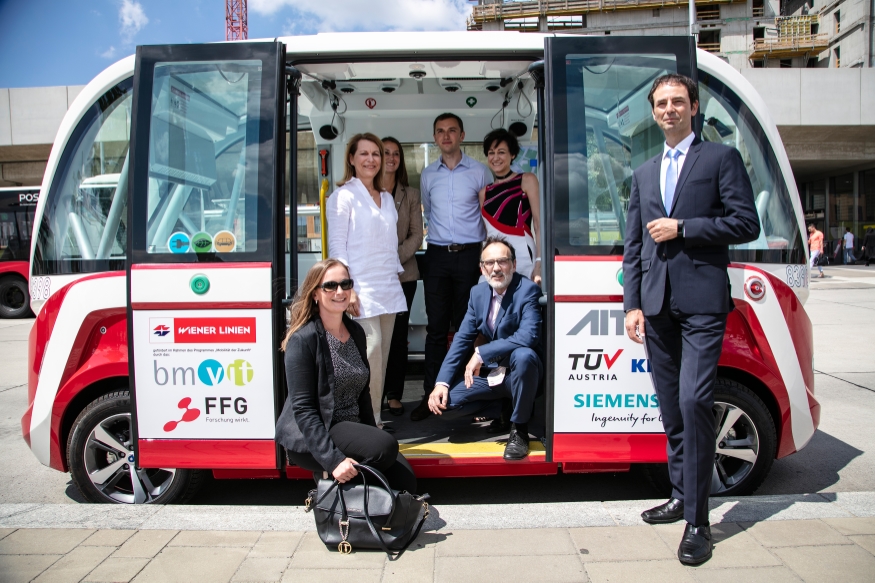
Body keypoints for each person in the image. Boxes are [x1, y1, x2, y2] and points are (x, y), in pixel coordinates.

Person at [622, 74, 760, 566]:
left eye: (678, 101)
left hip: (702, 302)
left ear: (694, 107)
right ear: (654, 112)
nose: (669, 109)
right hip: (656, 307)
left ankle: (699, 522)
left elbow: (746, 223)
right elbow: (634, 247)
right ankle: (681, 495)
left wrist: (685, 227)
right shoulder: (643, 172)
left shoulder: (720, 159)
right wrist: (632, 304)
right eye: (661, 103)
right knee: (673, 411)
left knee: (695, 400)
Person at [275, 259, 417, 493]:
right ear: (315, 294)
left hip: (349, 426)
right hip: (318, 432)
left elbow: (363, 393)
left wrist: (371, 434)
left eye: (345, 284)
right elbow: (303, 410)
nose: (339, 291)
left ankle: (368, 514)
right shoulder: (304, 340)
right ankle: (331, 486)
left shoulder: (355, 331)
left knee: (405, 482)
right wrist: (333, 460)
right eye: (330, 286)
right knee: (385, 447)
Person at [426, 236, 543, 460]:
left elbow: (528, 337)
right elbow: (461, 339)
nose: (496, 268)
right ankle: (504, 407)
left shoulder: (527, 290)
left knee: (524, 355)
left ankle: (519, 429)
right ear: (481, 268)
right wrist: (441, 383)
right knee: (445, 405)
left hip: (522, 374)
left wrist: (481, 353)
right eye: (489, 263)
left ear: (514, 264)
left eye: (502, 261)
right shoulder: (477, 294)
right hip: (494, 377)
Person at [411, 113, 490, 422]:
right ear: (435, 138)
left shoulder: (480, 172)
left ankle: (465, 396)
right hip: (438, 257)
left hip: (472, 257)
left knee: (468, 329)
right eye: (440, 132)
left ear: (462, 135)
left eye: (451, 131)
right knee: (436, 329)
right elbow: (429, 211)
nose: (446, 136)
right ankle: (429, 394)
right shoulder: (428, 175)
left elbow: (487, 215)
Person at [326, 133, 407, 430]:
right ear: (351, 158)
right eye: (364, 154)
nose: (371, 159)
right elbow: (337, 249)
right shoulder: (342, 196)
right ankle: (362, 422)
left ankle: (375, 419)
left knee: (381, 358)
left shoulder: (386, 198)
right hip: (360, 290)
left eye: (376, 154)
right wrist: (348, 290)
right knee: (368, 356)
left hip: (387, 287)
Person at [381, 136, 424, 417]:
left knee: (396, 337)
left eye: (396, 153)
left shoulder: (410, 194)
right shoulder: (363, 192)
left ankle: (394, 394)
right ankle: (370, 394)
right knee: (371, 337)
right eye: (385, 153)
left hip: (403, 276)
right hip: (369, 279)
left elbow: (417, 235)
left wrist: (390, 261)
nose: (391, 158)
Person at [479, 128, 543, 285]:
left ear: (512, 154)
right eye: (491, 153)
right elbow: (486, 234)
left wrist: (539, 262)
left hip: (523, 257)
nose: (495, 158)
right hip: (494, 260)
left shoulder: (527, 180)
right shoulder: (484, 193)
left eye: (501, 152)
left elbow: (539, 224)